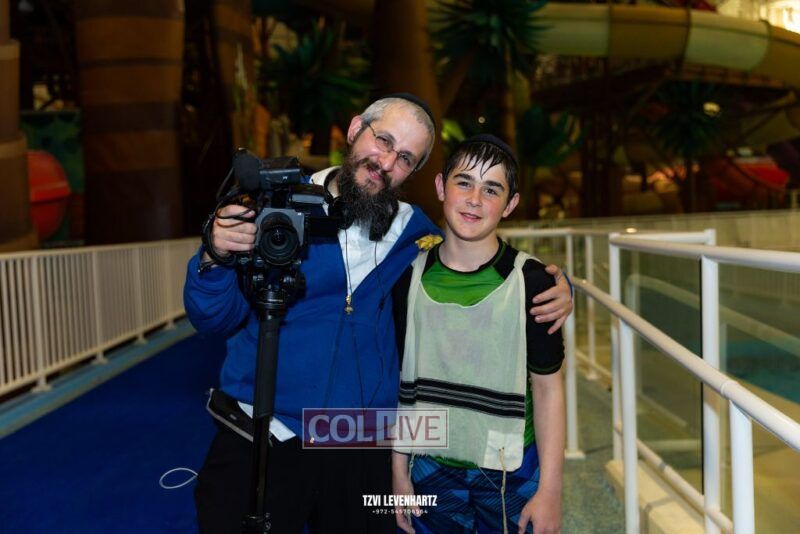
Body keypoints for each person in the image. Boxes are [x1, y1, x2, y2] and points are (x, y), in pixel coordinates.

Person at [184, 95, 572, 533]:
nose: (386, 162)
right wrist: (214, 257)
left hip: (359, 442)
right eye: (383, 140)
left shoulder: (413, 233)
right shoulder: (273, 208)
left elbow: (469, 260)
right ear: (355, 130)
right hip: (263, 433)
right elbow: (211, 319)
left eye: (405, 158)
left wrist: (556, 287)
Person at [391, 135, 565, 534]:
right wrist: (398, 471)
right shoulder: (408, 278)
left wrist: (551, 490)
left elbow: (548, 390)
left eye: (491, 189)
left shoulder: (533, 282)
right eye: (464, 182)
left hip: (510, 471)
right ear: (441, 186)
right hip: (428, 466)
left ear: (510, 204)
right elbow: (402, 384)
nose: (474, 199)